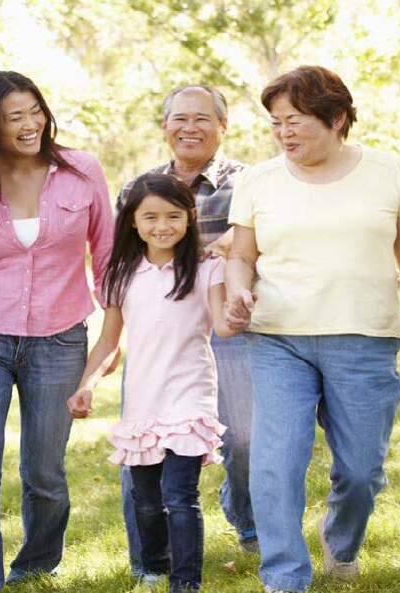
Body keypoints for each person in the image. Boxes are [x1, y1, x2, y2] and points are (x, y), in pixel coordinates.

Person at [225, 66, 400, 593]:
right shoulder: (258, 180)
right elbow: (241, 255)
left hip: (364, 337)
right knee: (277, 464)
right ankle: (284, 577)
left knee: (362, 470)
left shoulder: (388, 170)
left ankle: (340, 545)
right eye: (276, 123)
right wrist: (237, 290)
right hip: (278, 338)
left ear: (337, 117)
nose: (284, 133)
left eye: (294, 121)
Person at [0, 71, 114, 592]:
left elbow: (105, 254)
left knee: (45, 473)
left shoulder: (81, 170)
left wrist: (116, 333)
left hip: (61, 339)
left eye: (34, 109)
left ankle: (36, 565)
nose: (30, 123)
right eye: (14, 117)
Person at [68, 173, 236, 592]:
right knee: (146, 501)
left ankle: (185, 582)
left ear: (190, 217)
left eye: (173, 216)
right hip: (143, 401)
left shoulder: (207, 269)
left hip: (190, 396)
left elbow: (222, 326)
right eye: (151, 217)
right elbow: (109, 340)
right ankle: (154, 568)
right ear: (132, 222)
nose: (162, 226)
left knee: (180, 496)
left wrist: (239, 307)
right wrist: (87, 383)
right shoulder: (123, 275)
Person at [116, 84, 257, 571]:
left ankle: (246, 519)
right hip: (164, 328)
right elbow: (125, 254)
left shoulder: (249, 182)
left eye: (202, 118)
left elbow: (259, 240)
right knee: (144, 443)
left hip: (224, 316)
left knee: (241, 437)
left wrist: (228, 253)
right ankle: (149, 563)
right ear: (165, 126)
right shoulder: (139, 187)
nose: (189, 127)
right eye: (180, 118)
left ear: (223, 126)